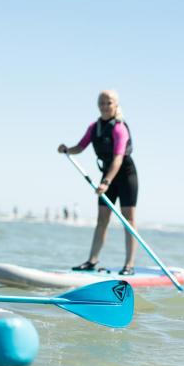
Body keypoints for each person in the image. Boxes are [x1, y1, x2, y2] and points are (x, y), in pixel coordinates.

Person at [58, 90, 138, 275]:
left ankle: (129, 265)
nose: (104, 105)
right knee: (102, 219)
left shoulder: (119, 128)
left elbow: (118, 159)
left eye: (108, 102)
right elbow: (80, 147)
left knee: (129, 220)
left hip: (125, 175)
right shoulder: (94, 127)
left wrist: (107, 182)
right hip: (107, 177)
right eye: (101, 102)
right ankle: (92, 261)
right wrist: (66, 149)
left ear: (116, 104)